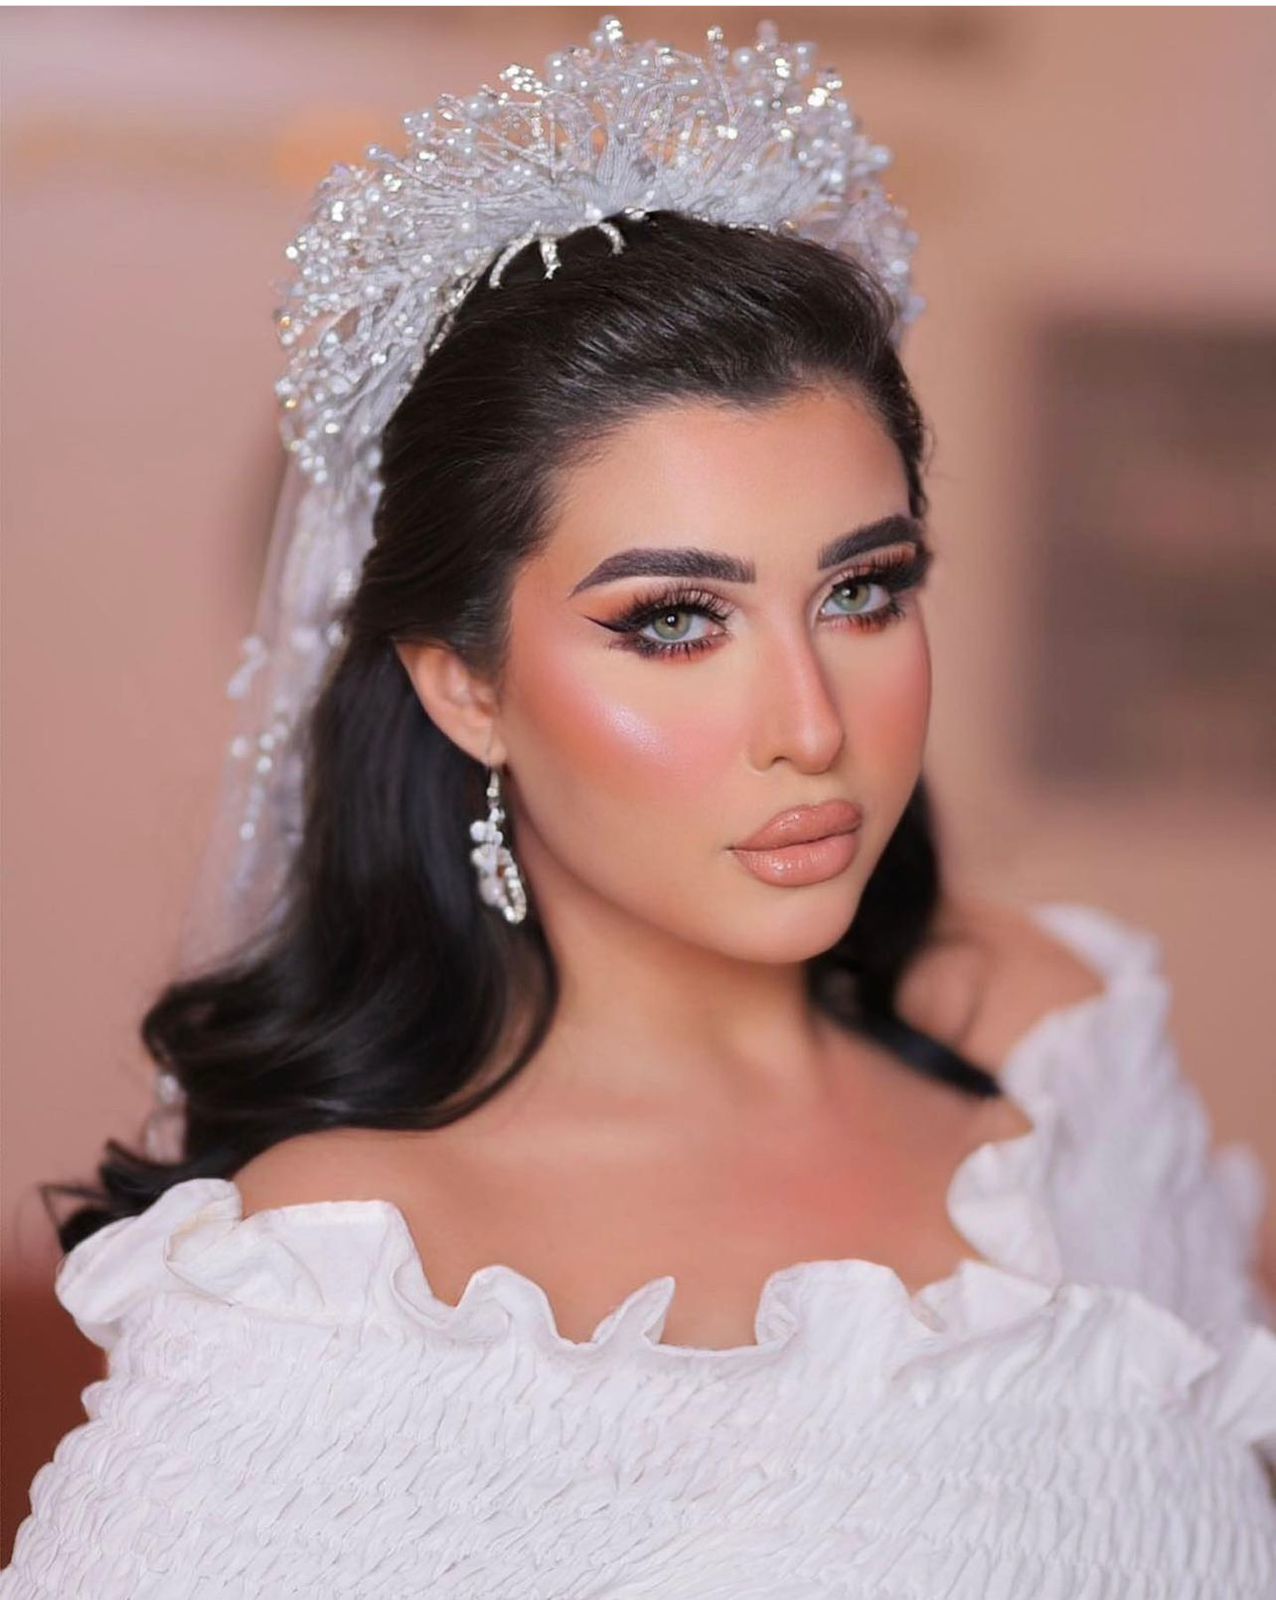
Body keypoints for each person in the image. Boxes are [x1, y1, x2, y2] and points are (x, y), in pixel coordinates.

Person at [5, 14, 1275, 1597]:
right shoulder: (348, 1274)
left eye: (864, 592)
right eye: (674, 621)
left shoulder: (1066, 1050)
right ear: (465, 687)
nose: (811, 726)